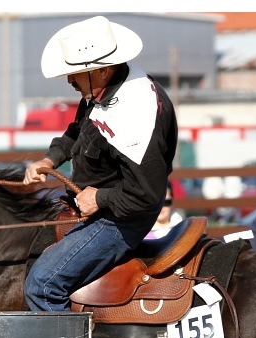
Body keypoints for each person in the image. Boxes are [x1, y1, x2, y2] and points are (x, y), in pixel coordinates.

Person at [22, 15, 178, 311]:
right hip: (104, 204)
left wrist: (99, 198)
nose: (70, 80)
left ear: (103, 70)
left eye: (75, 74)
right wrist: (49, 159)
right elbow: (78, 132)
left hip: (122, 216)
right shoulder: (102, 89)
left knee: (43, 284)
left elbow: (145, 194)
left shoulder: (136, 113)